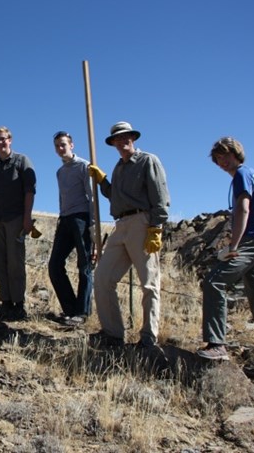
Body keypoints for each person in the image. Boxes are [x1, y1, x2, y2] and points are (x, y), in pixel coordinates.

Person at [196, 137, 254, 386]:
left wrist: (233, 246)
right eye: (217, 160)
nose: (220, 163)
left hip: (252, 243)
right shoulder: (253, 174)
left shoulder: (242, 175)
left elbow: (243, 209)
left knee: (213, 281)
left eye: (222, 157)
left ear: (233, 153)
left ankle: (217, 344)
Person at [88, 121, 170, 348]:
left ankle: (148, 338)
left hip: (142, 222)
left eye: (127, 137)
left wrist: (156, 228)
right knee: (103, 279)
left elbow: (160, 196)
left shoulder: (147, 160)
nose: (123, 141)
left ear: (133, 138)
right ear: (113, 142)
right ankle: (113, 333)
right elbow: (116, 196)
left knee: (149, 283)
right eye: (119, 138)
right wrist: (103, 181)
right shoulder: (119, 167)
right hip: (120, 224)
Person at [0, 126, 36, 321]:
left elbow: (30, 190)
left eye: (3, 139)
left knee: (15, 262)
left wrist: (27, 217)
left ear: (10, 139)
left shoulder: (22, 161)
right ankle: (5, 302)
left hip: (16, 218)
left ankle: (19, 304)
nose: (0, 142)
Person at [48, 131, 94, 327]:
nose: (60, 148)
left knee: (84, 266)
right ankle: (70, 309)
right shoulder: (60, 172)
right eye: (57, 145)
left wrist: (93, 224)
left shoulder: (84, 166)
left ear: (72, 145)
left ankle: (82, 313)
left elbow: (91, 196)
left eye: (63, 144)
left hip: (82, 218)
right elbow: (61, 197)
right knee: (55, 265)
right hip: (65, 218)